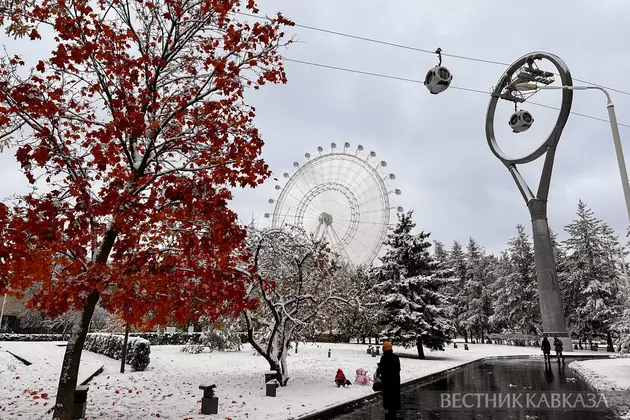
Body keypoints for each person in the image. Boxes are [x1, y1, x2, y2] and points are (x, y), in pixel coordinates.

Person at [379, 341, 401, 420]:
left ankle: (389, 410)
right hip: (395, 380)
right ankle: (394, 409)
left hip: (387, 381)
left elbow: (381, 370)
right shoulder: (395, 357)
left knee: (388, 395)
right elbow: (398, 368)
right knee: (395, 395)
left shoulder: (383, 358)